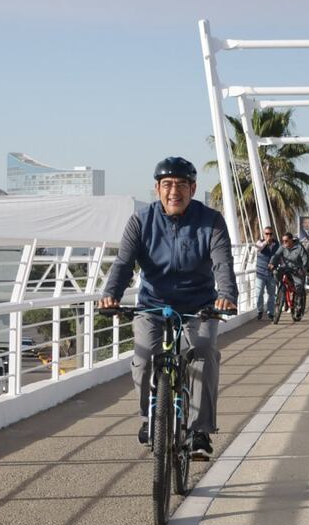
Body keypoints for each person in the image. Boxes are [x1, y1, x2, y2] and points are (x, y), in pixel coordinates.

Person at [100, 156, 238, 459]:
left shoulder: (211, 220)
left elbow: (222, 263)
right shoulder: (141, 221)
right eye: (167, 185)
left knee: (203, 352)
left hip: (199, 306)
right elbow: (124, 263)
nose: (174, 191)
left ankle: (200, 431)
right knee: (143, 357)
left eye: (181, 185)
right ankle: (150, 418)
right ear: (157, 188)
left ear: (193, 188)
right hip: (153, 305)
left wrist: (227, 294)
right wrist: (111, 294)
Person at [269, 232, 309, 305]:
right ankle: (281, 291)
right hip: (285, 268)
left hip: (296, 270)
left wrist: (304, 268)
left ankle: (299, 300)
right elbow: (276, 255)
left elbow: (305, 258)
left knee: (299, 286)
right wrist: (272, 263)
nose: (284, 242)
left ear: (291, 240)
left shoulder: (299, 247)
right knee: (275, 273)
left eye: (286, 241)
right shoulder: (283, 247)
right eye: (283, 241)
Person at [254, 226, 280, 320]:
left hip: (271, 273)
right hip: (260, 273)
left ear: (273, 234)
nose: (269, 235)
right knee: (259, 293)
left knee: (271, 294)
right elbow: (258, 248)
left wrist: (276, 264)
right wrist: (266, 242)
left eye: (270, 234)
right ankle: (260, 311)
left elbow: (279, 255)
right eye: (267, 234)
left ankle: (271, 313)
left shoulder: (276, 244)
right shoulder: (259, 242)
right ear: (263, 234)